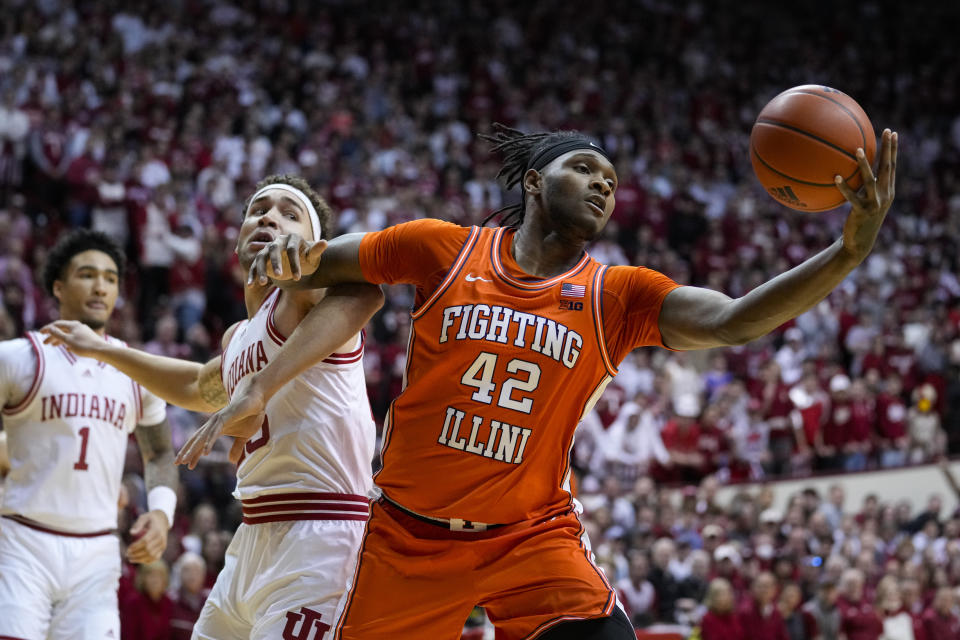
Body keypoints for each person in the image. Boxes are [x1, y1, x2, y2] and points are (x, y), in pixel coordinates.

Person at [205, 124, 897, 639]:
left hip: (532, 538)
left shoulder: (617, 295)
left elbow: (734, 320)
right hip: (407, 541)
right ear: (535, 181)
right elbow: (331, 270)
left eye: (613, 182)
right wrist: (295, 259)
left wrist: (846, 250)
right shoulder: (443, 248)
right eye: (585, 168)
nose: (604, 185)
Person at [43, 175, 384, 638]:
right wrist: (106, 350)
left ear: (314, 243)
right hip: (251, 538)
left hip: (322, 536)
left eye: (289, 212)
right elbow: (198, 386)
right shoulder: (238, 335)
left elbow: (365, 293)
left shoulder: (307, 293)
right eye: (259, 209)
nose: (269, 216)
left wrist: (260, 386)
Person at [0, 229, 177, 639]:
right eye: (87, 274)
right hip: (23, 541)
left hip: (97, 551)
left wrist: (162, 514)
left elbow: (160, 454)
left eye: (111, 278)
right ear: (58, 287)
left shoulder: (137, 370)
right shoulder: (18, 358)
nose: (101, 286)